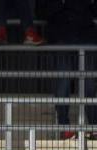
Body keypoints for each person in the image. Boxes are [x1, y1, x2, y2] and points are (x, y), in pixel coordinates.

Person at [40, 0, 97, 139]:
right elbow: (42, 11)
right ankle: (64, 127)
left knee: (89, 84)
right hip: (61, 38)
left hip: (86, 38)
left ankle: (94, 127)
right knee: (63, 83)